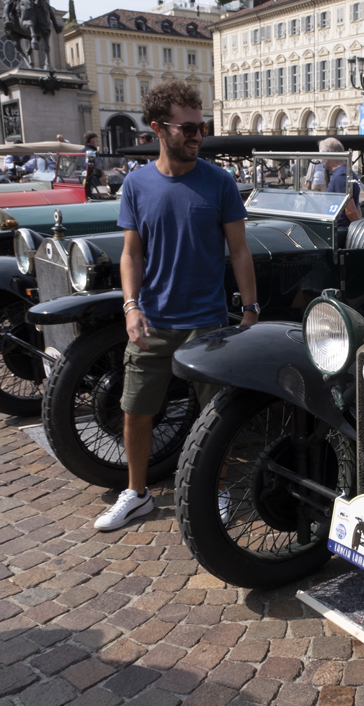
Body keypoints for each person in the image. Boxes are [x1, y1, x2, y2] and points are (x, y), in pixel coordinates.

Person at [95, 79, 258, 532]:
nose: (196, 134)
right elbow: (132, 253)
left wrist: (250, 310)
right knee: (135, 410)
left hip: (206, 323)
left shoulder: (220, 182)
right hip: (152, 320)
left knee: (215, 417)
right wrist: (131, 306)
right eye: (186, 127)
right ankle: (137, 493)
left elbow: (240, 251)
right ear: (157, 129)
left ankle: (218, 489)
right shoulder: (136, 185)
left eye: (200, 127)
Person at [321, 138, 362, 235]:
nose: (321, 160)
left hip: (338, 231)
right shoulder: (346, 172)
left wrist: (360, 232)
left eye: (321, 155)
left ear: (329, 156)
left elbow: (351, 211)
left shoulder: (341, 176)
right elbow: (357, 205)